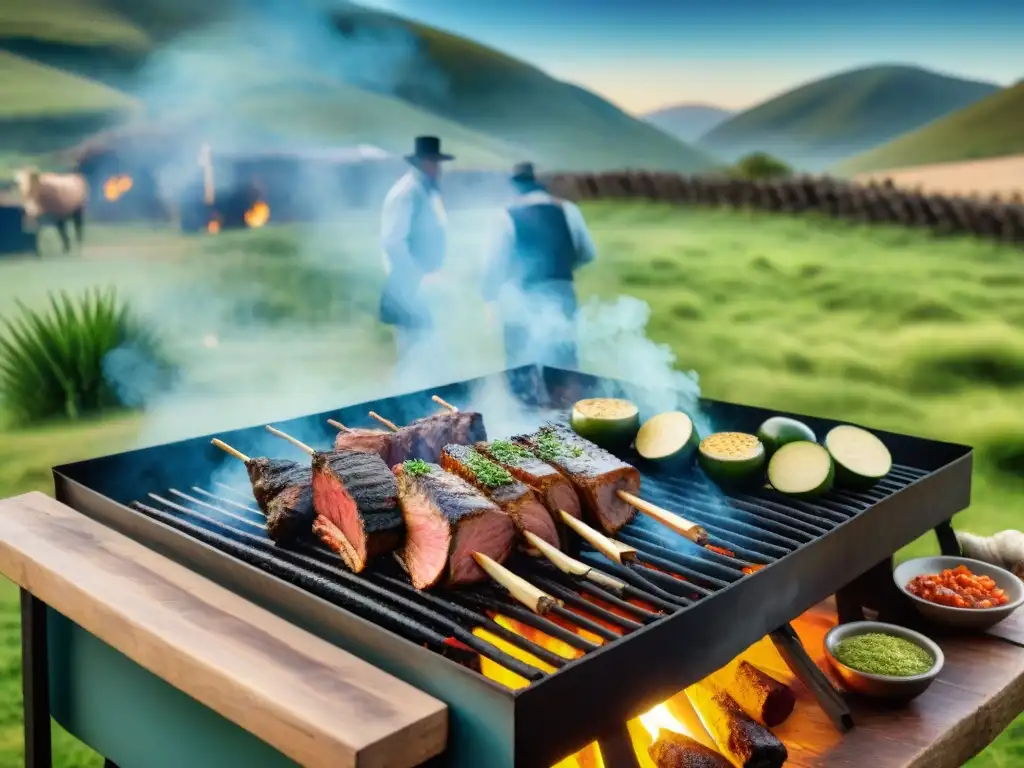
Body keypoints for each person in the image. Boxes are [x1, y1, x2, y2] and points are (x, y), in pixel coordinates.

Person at [482, 162, 597, 370]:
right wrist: (560, 267)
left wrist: (489, 297)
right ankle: (566, 402)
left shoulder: (505, 215)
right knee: (565, 367)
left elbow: (495, 266)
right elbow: (588, 254)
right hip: (564, 297)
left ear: (516, 187)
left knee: (523, 368)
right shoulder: (569, 210)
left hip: (522, 300)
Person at [379, 136, 453, 376]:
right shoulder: (406, 193)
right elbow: (393, 242)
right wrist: (419, 276)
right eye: (434, 162)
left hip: (421, 286)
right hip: (409, 286)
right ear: (422, 163)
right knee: (413, 358)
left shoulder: (425, 191)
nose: (438, 168)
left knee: (429, 355)